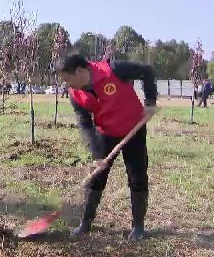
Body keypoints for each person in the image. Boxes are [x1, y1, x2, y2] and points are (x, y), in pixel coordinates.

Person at [56, 54, 157, 242]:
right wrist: (96, 155)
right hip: (106, 132)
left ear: (79, 71)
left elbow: (147, 71)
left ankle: (138, 226)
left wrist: (150, 102)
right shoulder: (75, 94)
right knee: (97, 176)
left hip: (133, 128)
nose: (67, 84)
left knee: (137, 176)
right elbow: (85, 124)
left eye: (68, 79)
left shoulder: (114, 69)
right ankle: (85, 223)